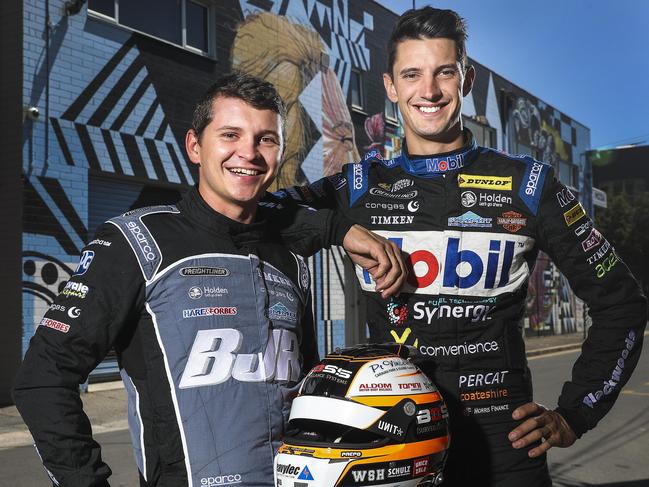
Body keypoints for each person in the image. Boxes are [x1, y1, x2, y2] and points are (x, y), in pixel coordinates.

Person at [273, 7, 647, 486]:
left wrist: (576, 414)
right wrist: (337, 230)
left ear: (466, 80)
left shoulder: (529, 185)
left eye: (443, 73)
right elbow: (258, 216)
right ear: (390, 86)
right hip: (389, 442)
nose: (428, 91)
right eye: (412, 74)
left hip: (505, 447)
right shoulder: (358, 186)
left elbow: (623, 305)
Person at [13, 72, 405, 487]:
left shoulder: (291, 259)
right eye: (230, 134)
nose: (248, 153)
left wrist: (337, 228)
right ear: (195, 146)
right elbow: (43, 377)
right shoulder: (136, 243)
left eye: (265, 139)